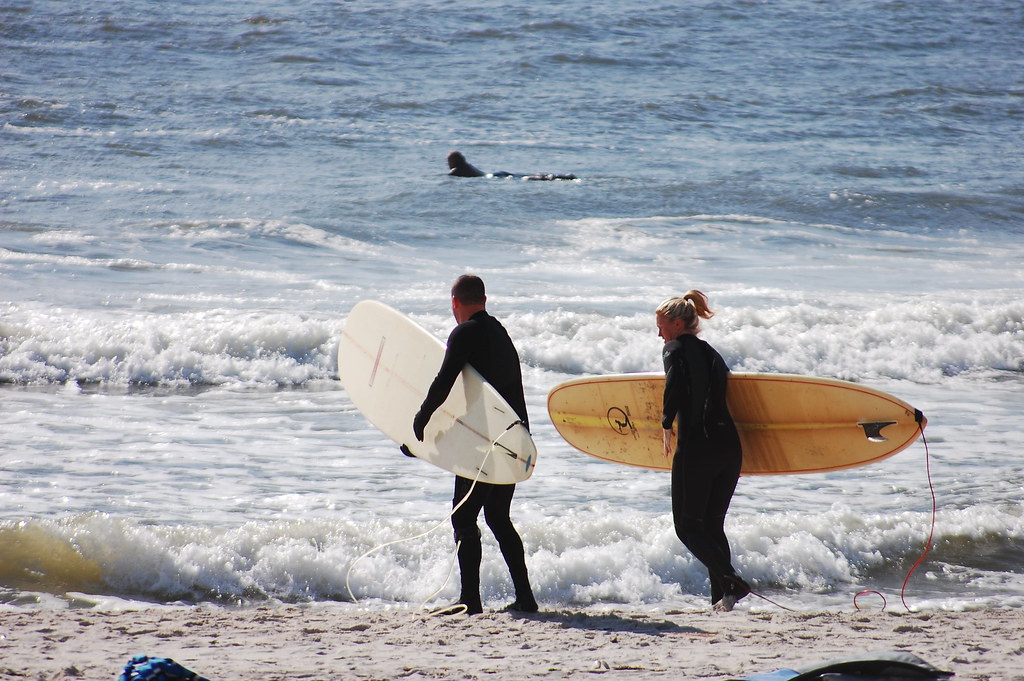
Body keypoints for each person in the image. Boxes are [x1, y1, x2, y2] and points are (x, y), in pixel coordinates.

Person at [412, 275, 538, 615]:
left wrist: (421, 418)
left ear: (455, 302)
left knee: (463, 516)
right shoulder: (499, 332)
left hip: (486, 442)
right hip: (513, 437)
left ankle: (471, 599)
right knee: (497, 516)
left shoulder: (465, 333)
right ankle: (526, 598)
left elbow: (444, 383)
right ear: (484, 298)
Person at [656, 291, 751, 612]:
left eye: (662, 326)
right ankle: (722, 599)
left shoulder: (675, 348)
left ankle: (731, 580)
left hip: (698, 448)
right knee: (712, 527)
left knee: (686, 527)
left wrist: (666, 422)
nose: (659, 334)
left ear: (678, 323)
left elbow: (676, 381)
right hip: (729, 449)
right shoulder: (712, 353)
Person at [446, 150, 577, 180]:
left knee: (529, 178)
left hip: (495, 178)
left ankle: (565, 177)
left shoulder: (457, 170)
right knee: (527, 177)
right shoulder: (466, 166)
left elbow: (445, 176)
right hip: (497, 174)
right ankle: (564, 177)